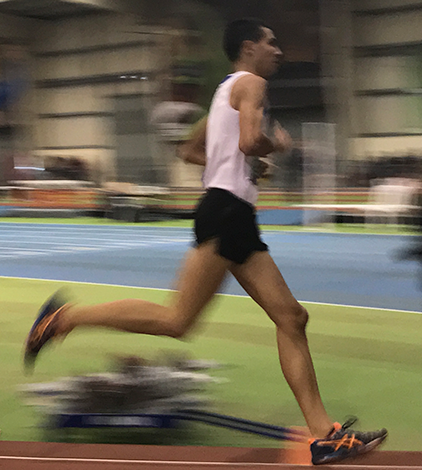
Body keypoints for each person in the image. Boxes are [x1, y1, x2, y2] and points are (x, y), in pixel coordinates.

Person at [24, 19, 386, 466]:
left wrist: (238, 162)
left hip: (228, 212)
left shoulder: (221, 94)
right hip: (227, 213)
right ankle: (63, 318)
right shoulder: (251, 84)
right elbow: (251, 140)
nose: (278, 50)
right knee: (182, 319)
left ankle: (322, 434)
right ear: (249, 47)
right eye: (272, 43)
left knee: (288, 318)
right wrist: (274, 147)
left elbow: (190, 150)